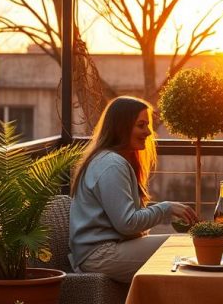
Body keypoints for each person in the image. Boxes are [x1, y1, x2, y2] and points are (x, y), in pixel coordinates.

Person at [69, 96, 197, 283]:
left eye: (148, 125)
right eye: (141, 125)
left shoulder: (112, 160)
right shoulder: (111, 164)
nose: (148, 132)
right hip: (100, 255)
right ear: (122, 127)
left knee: (184, 246)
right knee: (182, 246)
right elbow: (127, 223)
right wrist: (166, 208)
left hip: (106, 249)